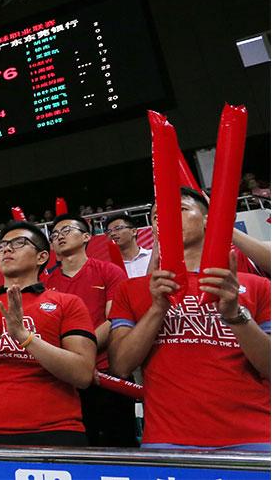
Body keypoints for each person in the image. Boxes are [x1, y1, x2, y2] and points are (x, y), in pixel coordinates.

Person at [109, 188, 270, 450]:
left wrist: (235, 315)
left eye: (181, 209)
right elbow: (121, 366)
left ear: (208, 219)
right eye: (158, 216)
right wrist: (157, 309)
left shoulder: (256, 286)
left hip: (254, 437)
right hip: (168, 441)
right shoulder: (131, 289)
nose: (168, 218)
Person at [0, 221, 97, 446]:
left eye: (19, 243)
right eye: (2, 245)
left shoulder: (68, 303)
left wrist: (24, 336)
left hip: (56, 431)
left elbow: (82, 374)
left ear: (42, 257)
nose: (7, 249)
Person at [45, 213, 136, 446]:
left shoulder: (109, 271)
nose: (59, 236)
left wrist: (81, 355)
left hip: (107, 373)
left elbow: (114, 319)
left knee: (119, 446)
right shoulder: (46, 284)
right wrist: (72, 363)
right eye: (54, 234)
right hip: (66, 380)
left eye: (67, 230)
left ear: (86, 236)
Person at [105, 214, 152, 278]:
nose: (112, 234)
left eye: (118, 228)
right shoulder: (109, 268)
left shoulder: (153, 256)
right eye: (109, 231)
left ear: (134, 231)